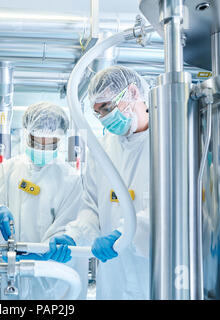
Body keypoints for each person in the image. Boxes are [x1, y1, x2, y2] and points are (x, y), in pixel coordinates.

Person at [49, 65, 151, 299]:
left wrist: (126, 234)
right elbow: (92, 206)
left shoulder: (168, 141)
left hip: (154, 275)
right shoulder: (103, 149)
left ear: (133, 93)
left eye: (107, 107)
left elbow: (173, 209)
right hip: (113, 278)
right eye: (98, 113)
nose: (105, 118)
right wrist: (74, 234)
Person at [0, 101, 89, 300]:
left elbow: (69, 225)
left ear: (60, 140)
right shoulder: (6, 171)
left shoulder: (70, 179)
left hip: (55, 279)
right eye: (37, 140)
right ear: (27, 134)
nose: (43, 147)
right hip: (11, 273)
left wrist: (41, 253)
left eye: (50, 143)